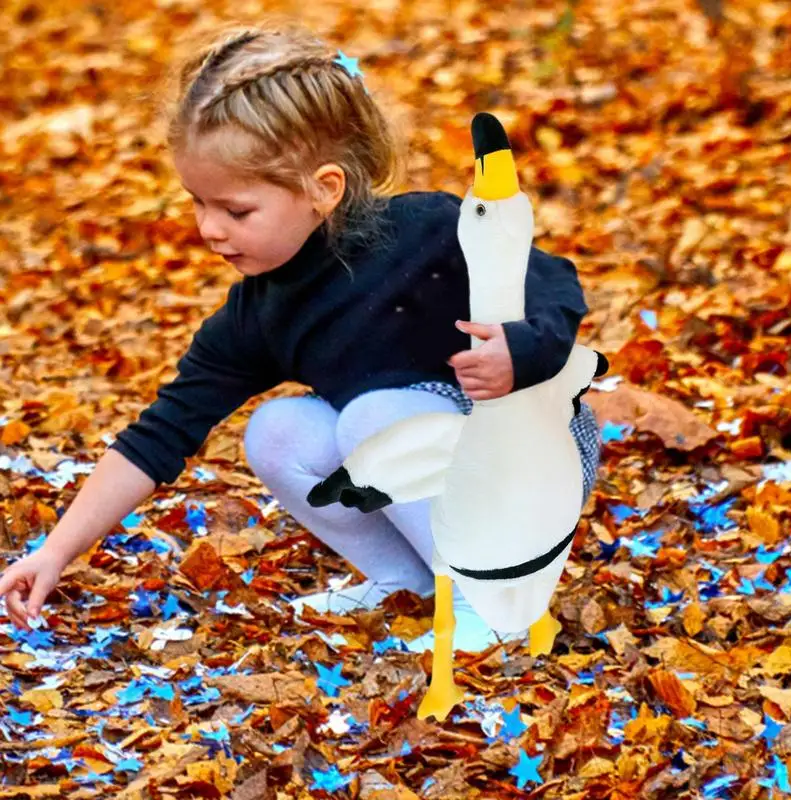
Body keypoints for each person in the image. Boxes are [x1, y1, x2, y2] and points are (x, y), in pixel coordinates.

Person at [0, 21, 601, 651]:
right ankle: (409, 585)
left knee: (373, 415)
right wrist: (55, 552)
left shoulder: (427, 230)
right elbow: (159, 435)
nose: (209, 229)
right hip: (441, 464)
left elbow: (553, 283)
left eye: (235, 211)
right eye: (197, 203)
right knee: (277, 432)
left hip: (536, 459)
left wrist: (523, 350)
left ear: (324, 188)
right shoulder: (262, 311)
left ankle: (495, 602)